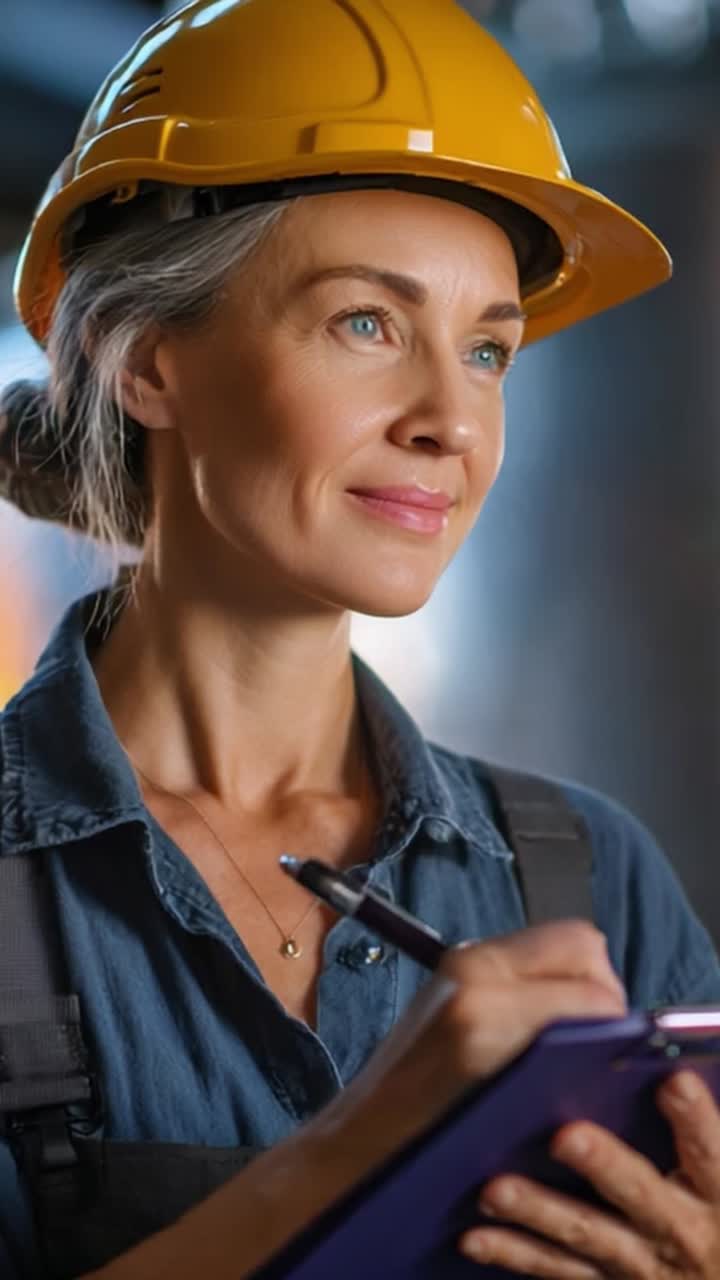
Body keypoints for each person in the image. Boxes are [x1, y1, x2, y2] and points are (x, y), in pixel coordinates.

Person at [1, 1, 720, 1276]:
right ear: (149, 358)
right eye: (367, 324)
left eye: (489, 349)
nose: (453, 418)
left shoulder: (596, 879)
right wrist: (369, 1138)